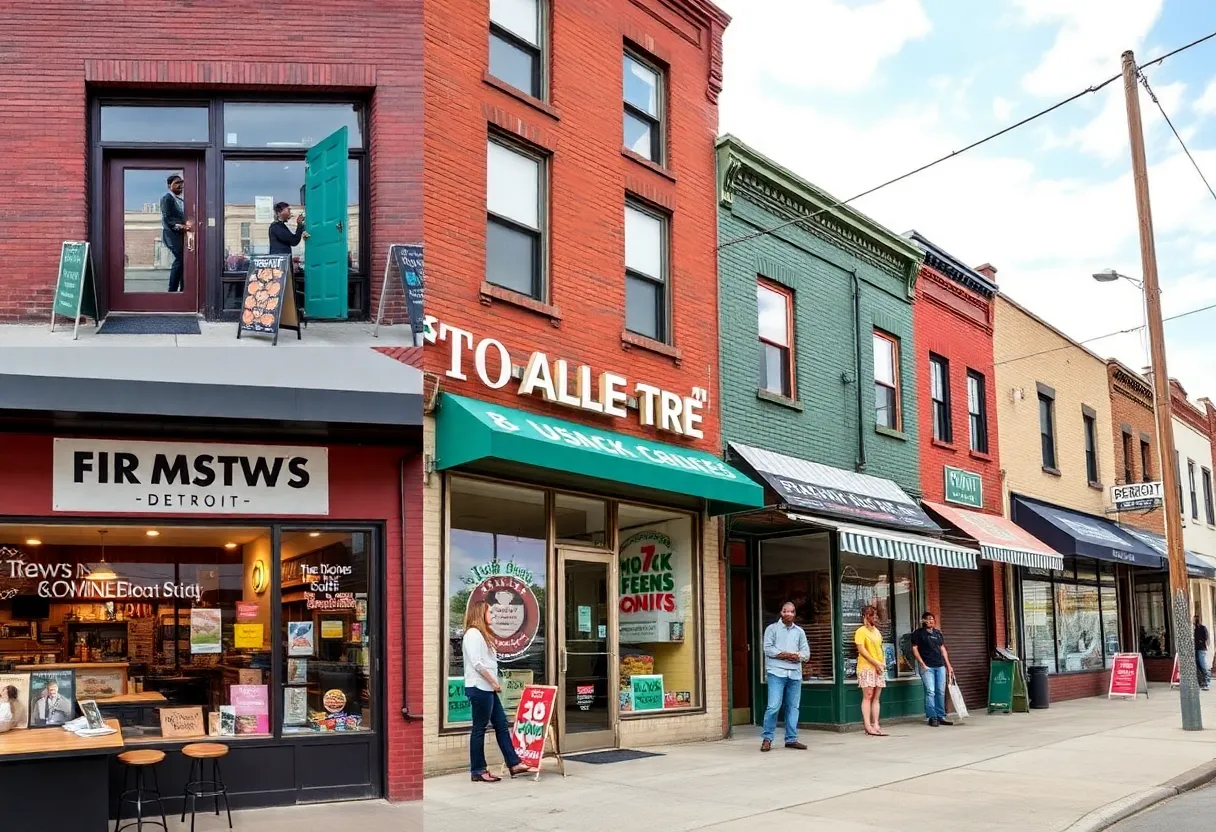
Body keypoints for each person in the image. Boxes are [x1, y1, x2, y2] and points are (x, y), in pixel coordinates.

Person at [462, 600, 531, 782]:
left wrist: (492, 684)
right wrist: (493, 682)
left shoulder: (483, 635)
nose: (492, 615)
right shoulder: (473, 634)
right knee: (479, 729)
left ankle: (514, 763)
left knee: (501, 724)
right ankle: (478, 770)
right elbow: (477, 664)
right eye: (490, 612)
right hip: (479, 687)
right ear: (480, 613)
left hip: (487, 688)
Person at [760, 601, 810, 752]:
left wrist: (796, 656)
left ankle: (791, 739)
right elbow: (768, 649)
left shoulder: (799, 632)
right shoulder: (772, 629)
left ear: (795, 614)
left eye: (791, 611)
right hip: (776, 673)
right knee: (773, 706)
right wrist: (788, 655)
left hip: (795, 675)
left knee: (793, 707)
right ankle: (767, 738)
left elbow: (806, 654)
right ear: (781, 613)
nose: (788, 614)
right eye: (785, 611)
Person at [911, 611, 954, 727]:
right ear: (923, 621)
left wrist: (948, 665)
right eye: (928, 619)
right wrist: (922, 664)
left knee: (940, 692)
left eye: (932, 619)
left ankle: (941, 716)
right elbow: (915, 649)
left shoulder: (938, 634)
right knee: (930, 691)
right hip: (927, 667)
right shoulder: (918, 634)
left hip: (940, 666)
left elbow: (942, 649)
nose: (930, 621)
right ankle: (932, 717)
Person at [855, 605, 888, 736]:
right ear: (865, 617)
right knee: (868, 695)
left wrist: (883, 663)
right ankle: (867, 725)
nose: (874, 618)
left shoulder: (877, 632)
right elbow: (862, 650)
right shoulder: (860, 631)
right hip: (866, 667)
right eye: (871, 615)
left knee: (876, 697)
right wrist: (876, 663)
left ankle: (876, 724)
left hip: (878, 667)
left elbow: (880, 648)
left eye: (875, 615)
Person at [159, 174, 191, 292]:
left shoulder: (180, 200)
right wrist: (181, 226)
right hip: (171, 235)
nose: (180, 186)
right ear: (169, 186)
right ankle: (172, 290)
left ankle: (183, 289)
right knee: (180, 259)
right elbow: (167, 218)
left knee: (184, 260)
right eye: (177, 183)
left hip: (179, 235)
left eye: (181, 183)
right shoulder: (167, 198)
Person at [1195, 614, 1210, 691]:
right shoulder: (1194, 629)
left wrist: (1205, 645)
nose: (1195, 621)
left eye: (1196, 619)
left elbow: (1207, 638)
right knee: (1198, 666)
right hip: (1195, 649)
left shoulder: (1202, 628)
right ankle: (1202, 682)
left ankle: (1207, 682)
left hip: (1201, 649)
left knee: (1203, 666)